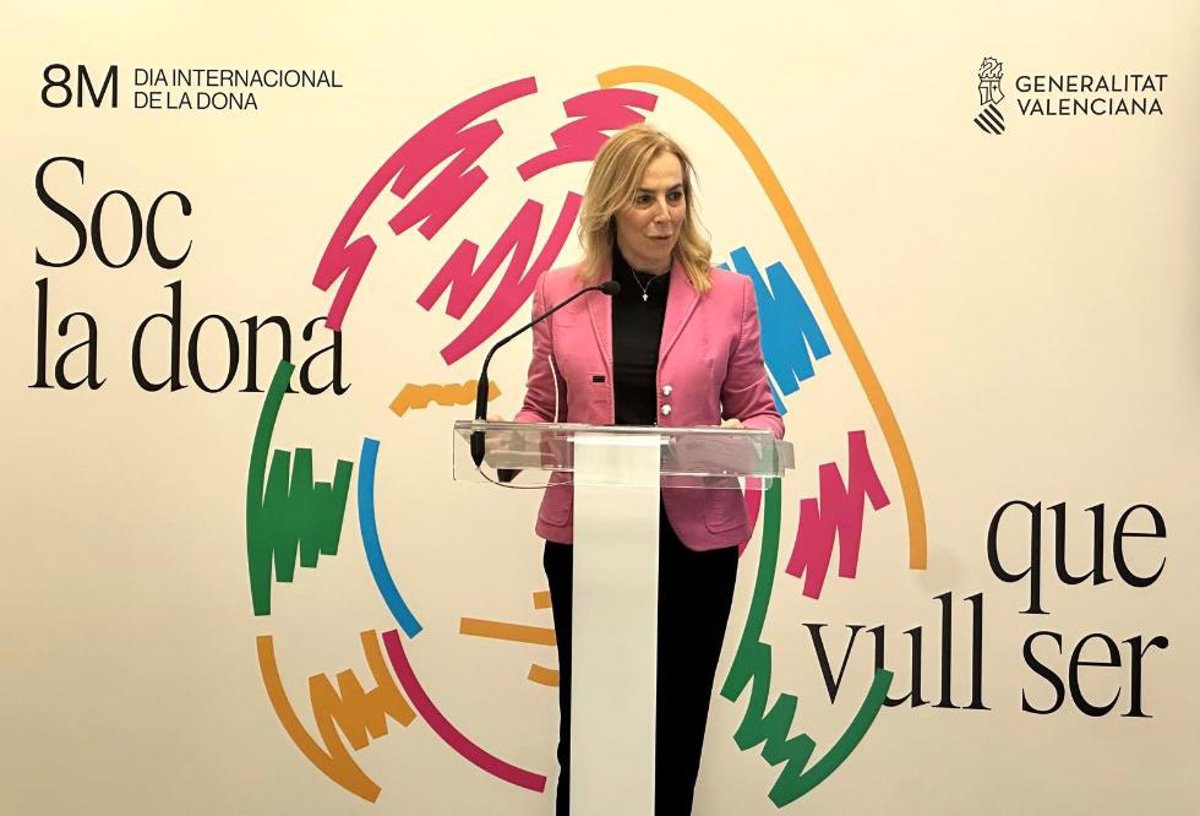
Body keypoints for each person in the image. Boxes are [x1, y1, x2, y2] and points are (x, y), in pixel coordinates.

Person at [511, 123, 784, 815]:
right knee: (587, 734)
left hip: (695, 546)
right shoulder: (560, 292)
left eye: (675, 195)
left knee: (676, 732)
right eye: (645, 198)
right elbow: (539, 408)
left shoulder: (729, 295)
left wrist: (744, 442)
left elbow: (761, 412)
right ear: (611, 206)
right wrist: (509, 444)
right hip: (590, 539)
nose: (665, 215)